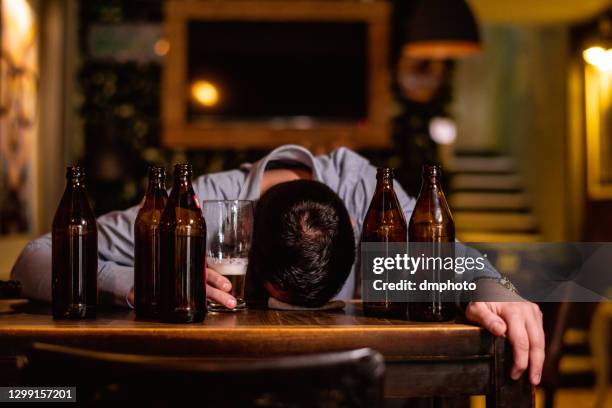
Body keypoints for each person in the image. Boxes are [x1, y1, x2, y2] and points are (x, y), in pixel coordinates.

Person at [11, 144, 545, 386]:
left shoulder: (362, 187)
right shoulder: (200, 204)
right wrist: (142, 282)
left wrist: (490, 284)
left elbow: (446, 253)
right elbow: (34, 258)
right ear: (244, 239)